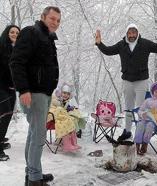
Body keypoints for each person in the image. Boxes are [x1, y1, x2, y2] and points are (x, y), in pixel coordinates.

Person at [95, 23, 157, 141]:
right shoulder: (121, 45)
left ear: (137, 33)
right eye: (130, 33)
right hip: (127, 80)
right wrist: (99, 43)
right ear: (127, 33)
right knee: (128, 108)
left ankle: (140, 131)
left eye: (134, 32)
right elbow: (108, 50)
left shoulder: (145, 44)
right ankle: (127, 132)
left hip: (141, 81)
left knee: (141, 108)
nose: (132, 35)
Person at [9, 6, 61, 185]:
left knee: (34, 135)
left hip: (44, 93)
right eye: (52, 18)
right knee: (39, 137)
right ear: (43, 17)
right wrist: (23, 89)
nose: (55, 22)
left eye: (58, 20)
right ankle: (33, 178)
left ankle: (33, 172)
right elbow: (16, 61)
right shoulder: (32, 32)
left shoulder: (47, 38)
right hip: (34, 93)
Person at [134, 82, 157, 155]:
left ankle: (144, 145)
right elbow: (140, 110)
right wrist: (142, 114)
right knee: (140, 125)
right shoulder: (148, 100)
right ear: (153, 92)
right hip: (145, 119)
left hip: (156, 122)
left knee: (149, 126)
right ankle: (137, 145)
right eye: (155, 92)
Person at [0, 25, 20, 161]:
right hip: (1, 86)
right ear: (7, 33)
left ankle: (0, 141)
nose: (14, 34)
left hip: (12, 89)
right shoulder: (1, 47)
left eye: (17, 33)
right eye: (12, 32)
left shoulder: (19, 49)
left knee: (8, 116)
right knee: (4, 115)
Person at [48, 83, 86, 152]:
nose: (66, 95)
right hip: (54, 117)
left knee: (72, 120)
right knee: (67, 122)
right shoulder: (56, 99)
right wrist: (65, 108)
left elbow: (64, 108)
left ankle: (73, 143)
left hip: (61, 115)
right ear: (60, 93)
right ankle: (67, 145)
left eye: (68, 94)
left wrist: (69, 108)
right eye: (64, 93)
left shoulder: (65, 101)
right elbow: (56, 107)